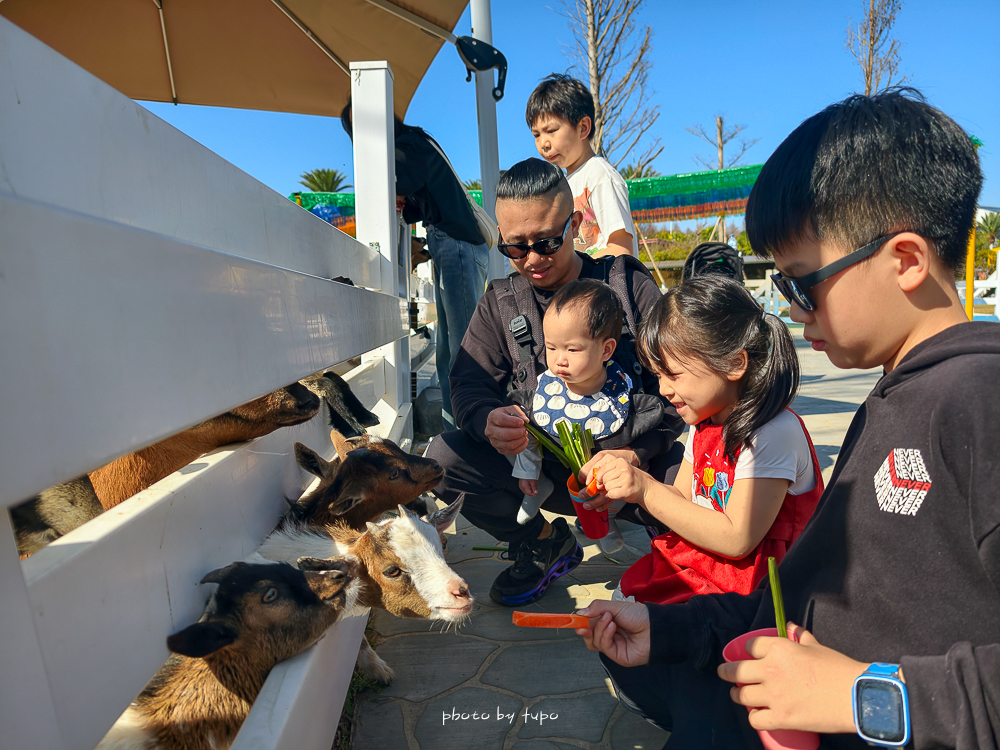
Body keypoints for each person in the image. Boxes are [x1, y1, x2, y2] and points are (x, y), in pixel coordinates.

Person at [574, 90, 1000, 750]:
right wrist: (671, 630)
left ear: (907, 261)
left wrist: (866, 697)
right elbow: (805, 598)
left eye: (803, 283)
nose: (792, 310)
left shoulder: (980, 398)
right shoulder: (895, 399)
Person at [425, 158, 685, 607]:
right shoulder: (500, 304)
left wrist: (635, 454)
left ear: (577, 224)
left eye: (546, 242)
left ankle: (680, 558)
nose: (532, 260)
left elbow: (683, 380)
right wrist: (488, 420)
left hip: (637, 468)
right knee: (443, 459)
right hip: (541, 475)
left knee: (698, 482)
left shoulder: (626, 286)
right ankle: (544, 541)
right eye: (514, 248)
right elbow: (467, 384)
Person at [584, 275, 822, 606]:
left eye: (674, 374)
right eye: (658, 376)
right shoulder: (707, 420)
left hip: (764, 585)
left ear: (734, 363)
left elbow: (737, 538)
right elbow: (682, 496)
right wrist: (628, 489)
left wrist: (646, 488)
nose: (664, 389)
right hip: (711, 562)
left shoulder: (771, 432)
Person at [341, 103, 489, 429]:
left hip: (456, 244)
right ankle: (460, 432)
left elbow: (401, 181)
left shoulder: (407, 146)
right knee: (451, 352)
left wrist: (393, 191)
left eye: (364, 122)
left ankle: (475, 434)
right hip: (452, 243)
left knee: (464, 349)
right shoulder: (415, 144)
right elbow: (414, 196)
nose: (362, 133)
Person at [508, 278, 664, 555]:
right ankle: (535, 480)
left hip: (602, 473)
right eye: (552, 348)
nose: (559, 360)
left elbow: (651, 413)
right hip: (553, 464)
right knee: (525, 428)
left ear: (606, 350)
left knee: (618, 470)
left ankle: (607, 519)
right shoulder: (550, 387)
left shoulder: (615, 394)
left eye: (572, 349)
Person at [526, 74, 636, 258]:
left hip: (606, 285)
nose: (544, 143)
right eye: (536, 135)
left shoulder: (600, 176)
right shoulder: (563, 185)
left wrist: (573, 268)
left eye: (551, 131)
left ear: (583, 127)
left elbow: (622, 249)